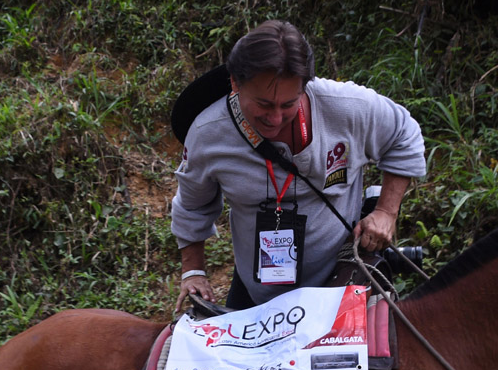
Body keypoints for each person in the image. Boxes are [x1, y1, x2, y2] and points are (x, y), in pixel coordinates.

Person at [171, 20, 426, 311]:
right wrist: (194, 272)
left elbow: (403, 133)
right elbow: (192, 205)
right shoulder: (208, 133)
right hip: (259, 294)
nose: (276, 118)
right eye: (264, 105)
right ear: (235, 84)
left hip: (344, 277)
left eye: (288, 105)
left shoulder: (345, 107)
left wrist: (385, 211)